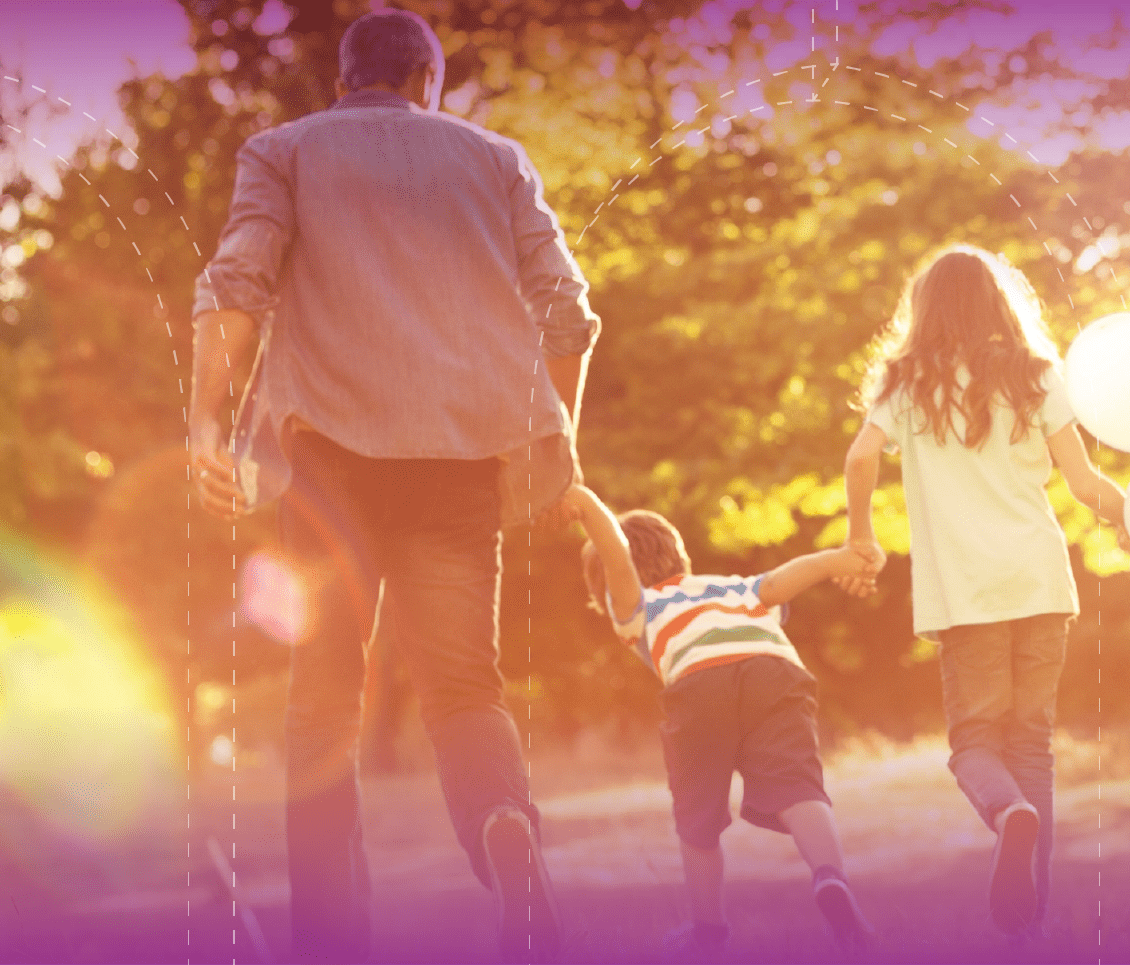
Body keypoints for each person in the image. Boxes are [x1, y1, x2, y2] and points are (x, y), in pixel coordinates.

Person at [186, 10, 595, 962]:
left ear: (345, 79)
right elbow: (570, 315)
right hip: (460, 463)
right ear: (427, 81)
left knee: (322, 702)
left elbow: (237, 283)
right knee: (464, 690)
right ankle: (504, 825)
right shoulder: (497, 160)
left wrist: (207, 424)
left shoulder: (281, 151)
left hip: (326, 465)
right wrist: (553, 438)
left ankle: (331, 943)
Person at [841, 245, 1129, 936]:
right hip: (1037, 578)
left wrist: (861, 537)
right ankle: (1031, 912)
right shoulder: (1036, 375)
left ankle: (1007, 814)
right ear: (1000, 303)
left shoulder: (906, 381)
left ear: (925, 309)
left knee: (974, 740)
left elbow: (858, 456)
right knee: (1030, 743)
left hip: (966, 591)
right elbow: (1086, 485)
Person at [561, 484, 877, 956]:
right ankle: (830, 877)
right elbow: (781, 582)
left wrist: (581, 500)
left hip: (698, 683)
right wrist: (839, 559)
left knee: (699, 818)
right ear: (680, 557)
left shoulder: (636, 608)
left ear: (605, 586)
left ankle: (708, 930)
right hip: (774, 671)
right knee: (799, 788)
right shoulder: (732, 586)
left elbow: (615, 554)